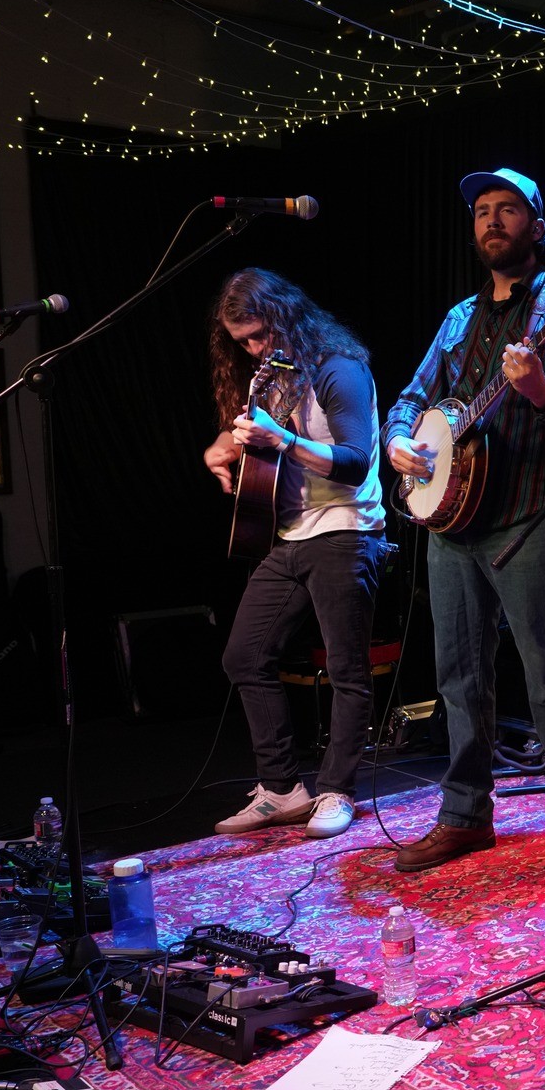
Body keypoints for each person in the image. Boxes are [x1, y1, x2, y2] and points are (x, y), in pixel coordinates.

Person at [381, 168, 545, 884]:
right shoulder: (457, 318)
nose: (491, 220)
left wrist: (537, 387)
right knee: (458, 676)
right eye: (482, 210)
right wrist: (399, 441)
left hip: (529, 516)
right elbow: (410, 399)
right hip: (453, 520)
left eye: (507, 209)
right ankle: (465, 814)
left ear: (536, 225)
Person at [205, 269, 388, 842]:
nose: (255, 349)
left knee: (346, 669)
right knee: (244, 657)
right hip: (288, 536)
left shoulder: (339, 368)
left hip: (347, 529)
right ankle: (282, 789)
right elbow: (242, 435)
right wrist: (219, 448)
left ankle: (337, 790)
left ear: (287, 315)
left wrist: (282, 440)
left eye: (261, 334)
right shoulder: (276, 376)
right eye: (243, 342)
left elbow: (355, 461)